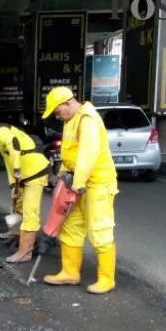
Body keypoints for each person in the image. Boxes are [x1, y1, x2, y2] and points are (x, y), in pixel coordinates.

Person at [40, 86, 118, 295]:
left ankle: (106, 278)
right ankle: (70, 271)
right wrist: (62, 177)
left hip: (96, 183)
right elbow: (68, 151)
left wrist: (78, 183)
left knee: (98, 229)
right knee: (70, 226)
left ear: (67, 103)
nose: (58, 116)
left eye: (58, 111)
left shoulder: (88, 118)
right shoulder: (70, 121)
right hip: (77, 183)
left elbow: (88, 153)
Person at [0, 116, 51, 263]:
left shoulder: (1, 131)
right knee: (17, 204)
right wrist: (13, 186)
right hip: (24, 176)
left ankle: (25, 252)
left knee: (29, 212)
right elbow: (8, 163)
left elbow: (14, 145)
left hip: (35, 172)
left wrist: (17, 169)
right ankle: (15, 232)